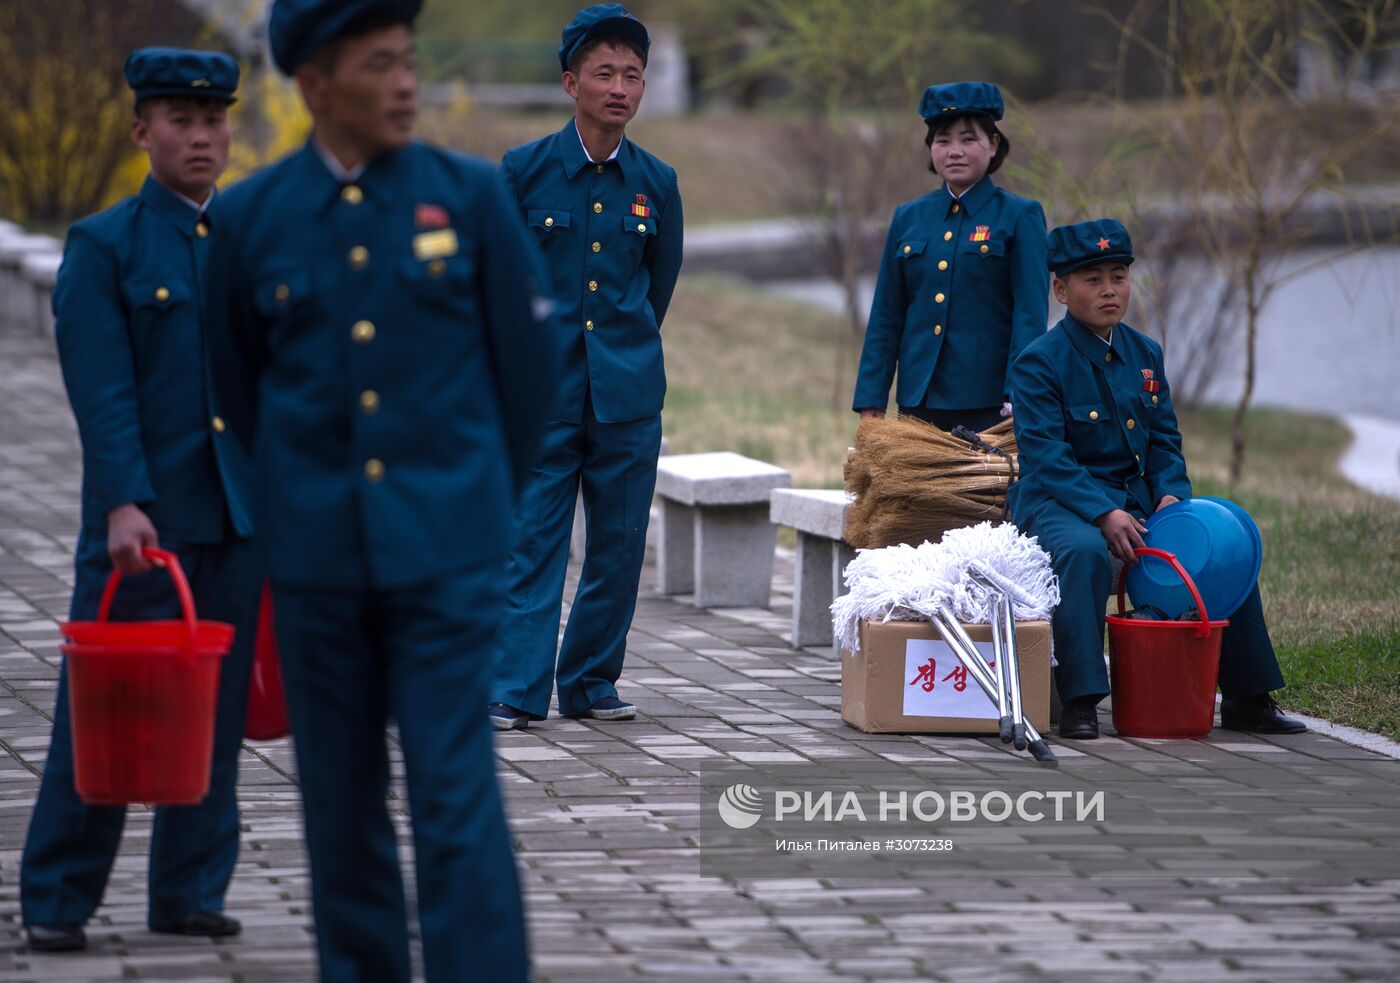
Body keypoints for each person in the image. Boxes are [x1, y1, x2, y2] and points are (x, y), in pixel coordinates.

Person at [203, 1, 555, 978]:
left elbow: (525, 379)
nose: (405, 83)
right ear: (315, 85)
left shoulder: (470, 197)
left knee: (454, 790)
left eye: (409, 60)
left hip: (447, 555)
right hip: (317, 562)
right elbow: (235, 388)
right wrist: (289, 514)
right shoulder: (248, 218)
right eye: (378, 64)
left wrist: (472, 505)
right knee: (339, 798)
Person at [20, 47, 259, 952]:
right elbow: (103, 391)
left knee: (219, 711)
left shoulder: (242, 241)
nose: (201, 137)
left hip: (239, 520)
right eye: (181, 121)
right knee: (108, 711)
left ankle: (189, 890)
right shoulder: (104, 244)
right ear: (142, 132)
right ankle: (56, 896)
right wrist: (122, 500)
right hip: (143, 526)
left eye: (213, 121)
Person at [1007, 218, 1308, 740]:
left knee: (1222, 542)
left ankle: (1247, 697)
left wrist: (1172, 495)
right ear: (1060, 289)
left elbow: (1165, 440)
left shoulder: (1144, 353)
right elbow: (1047, 456)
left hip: (1138, 500)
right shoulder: (1038, 363)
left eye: (1118, 276)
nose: (1108, 290)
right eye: (1092, 279)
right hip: (1059, 503)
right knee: (1082, 552)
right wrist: (1104, 513)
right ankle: (1081, 699)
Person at [487, 3, 683, 731]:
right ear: (571, 82)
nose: (620, 88)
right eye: (604, 73)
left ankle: (592, 680)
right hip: (542, 393)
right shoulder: (525, 171)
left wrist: (620, 355)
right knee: (532, 539)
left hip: (627, 396)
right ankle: (515, 686)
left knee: (619, 546)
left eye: (632, 75)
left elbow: (655, 288)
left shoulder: (656, 182)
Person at [853, 81, 1048, 432]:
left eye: (968, 139)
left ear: (994, 144)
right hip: (919, 399)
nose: (954, 150)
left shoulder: (1021, 215)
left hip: (990, 404)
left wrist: (1019, 394)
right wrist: (871, 400)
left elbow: (1030, 315)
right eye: (943, 140)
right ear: (930, 149)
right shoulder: (908, 217)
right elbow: (886, 313)